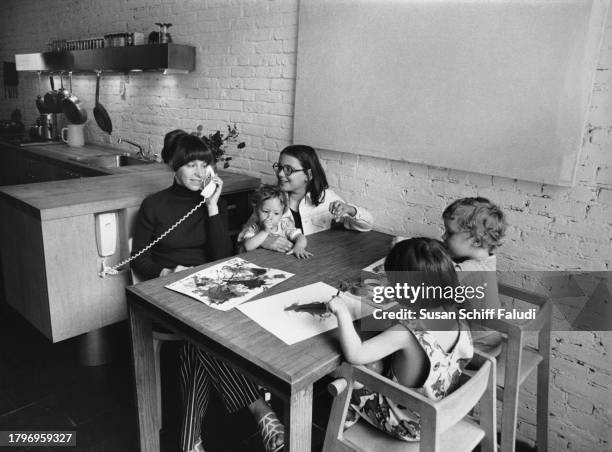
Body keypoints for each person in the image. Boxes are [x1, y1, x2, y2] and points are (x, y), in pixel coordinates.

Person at [131, 132, 284, 452]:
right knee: (206, 338)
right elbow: (140, 259)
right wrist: (165, 272)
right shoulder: (154, 205)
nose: (199, 173)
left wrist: (213, 207)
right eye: (190, 165)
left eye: (205, 165)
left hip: (209, 288)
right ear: (173, 165)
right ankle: (260, 410)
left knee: (197, 345)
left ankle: (190, 441)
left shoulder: (213, 201)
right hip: (168, 290)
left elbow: (221, 255)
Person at [328, 238, 473, 441]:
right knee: (376, 364)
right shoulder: (458, 316)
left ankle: (343, 427)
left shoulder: (405, 333)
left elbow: (355, 354)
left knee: (345, 371)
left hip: (407, 423)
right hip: (440, 411)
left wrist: (342, 312)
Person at [262, 144, 373, 252]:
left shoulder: (326, 198)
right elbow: (247, 232)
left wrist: (350, 210)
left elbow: (367, 225)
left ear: (308, 175)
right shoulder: (270, 198)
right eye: (279, 167)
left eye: (288, 169)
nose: (280, 174)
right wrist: (264, 241)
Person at [442, 196, 507, 355]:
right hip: (492, 342)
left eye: (450, 233)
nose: (443, 236)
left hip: (476, 351)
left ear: (476, 241)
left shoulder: (469, 270)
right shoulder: (486, 259)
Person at [238, 184, 311, 258]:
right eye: (265, 211)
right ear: (256, 210)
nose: (270, 217)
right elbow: (247, 247)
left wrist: (299, 247)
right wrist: (264, 231)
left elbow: (300, 237)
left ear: (282, 214)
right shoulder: (254, 228)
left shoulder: (284, 224)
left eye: (276, 213)